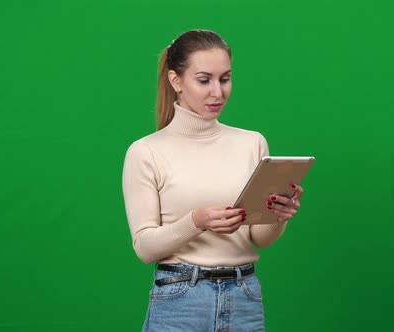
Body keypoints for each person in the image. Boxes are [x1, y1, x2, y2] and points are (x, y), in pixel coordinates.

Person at [122, 29, 304, 332]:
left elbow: (259, 238)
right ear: (176, 81)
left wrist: (278, 216)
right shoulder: (146, 152)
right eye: (204, 80)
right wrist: (196, 221)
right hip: (180, 298)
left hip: (244, 294)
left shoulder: (252, 143)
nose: (218, 92)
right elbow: (144, 247)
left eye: (225, 78)